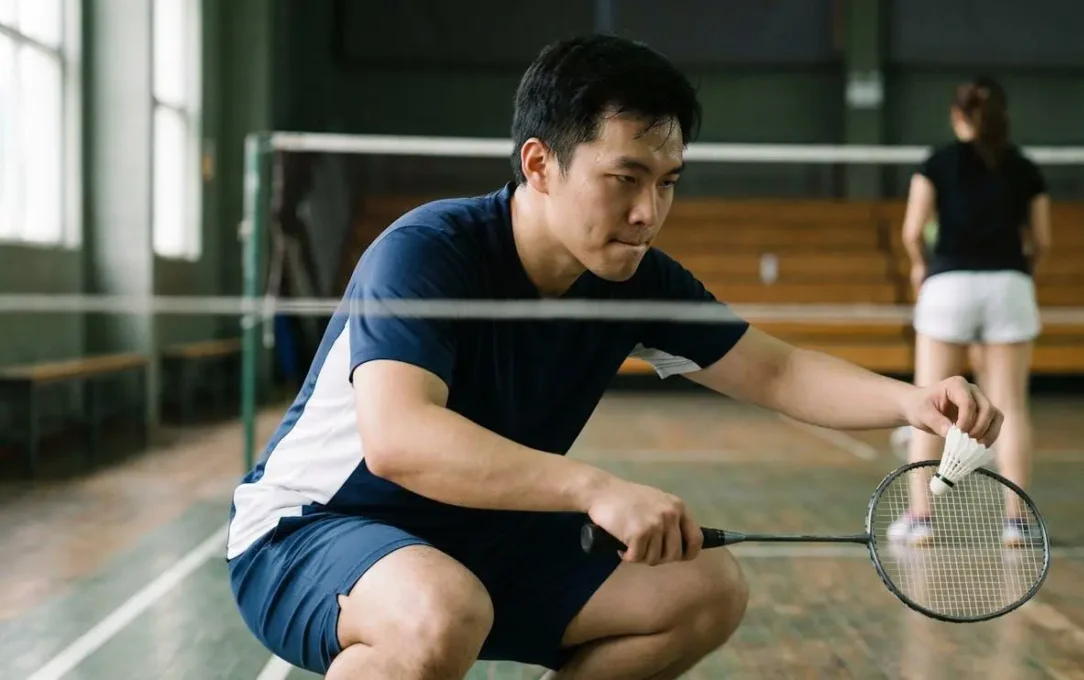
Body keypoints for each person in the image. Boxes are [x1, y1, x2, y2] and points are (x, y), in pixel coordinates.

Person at [225, 36, 1005, 680]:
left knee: (701, 593)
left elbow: (775, 370)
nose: (648, 213)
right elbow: (399, 440)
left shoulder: (631, 277)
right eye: (624, 180)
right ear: (538, 164)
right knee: (437, 611)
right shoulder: (429, 253)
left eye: (667, 183)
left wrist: (912, 401)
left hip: (479, 535)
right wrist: (593, 488)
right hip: (316, 528)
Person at [886, 76, 1050, 548]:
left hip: (949, 284)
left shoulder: (936, 163)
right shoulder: (1024, 167)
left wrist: (921, 267)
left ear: (957, 115)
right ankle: (1017, 522)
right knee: (1012, 407)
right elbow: (1042, 241)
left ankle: (921, 518)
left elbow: (912, 231)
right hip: (1010, 285)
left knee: (927, 402)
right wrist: (1023, 276)